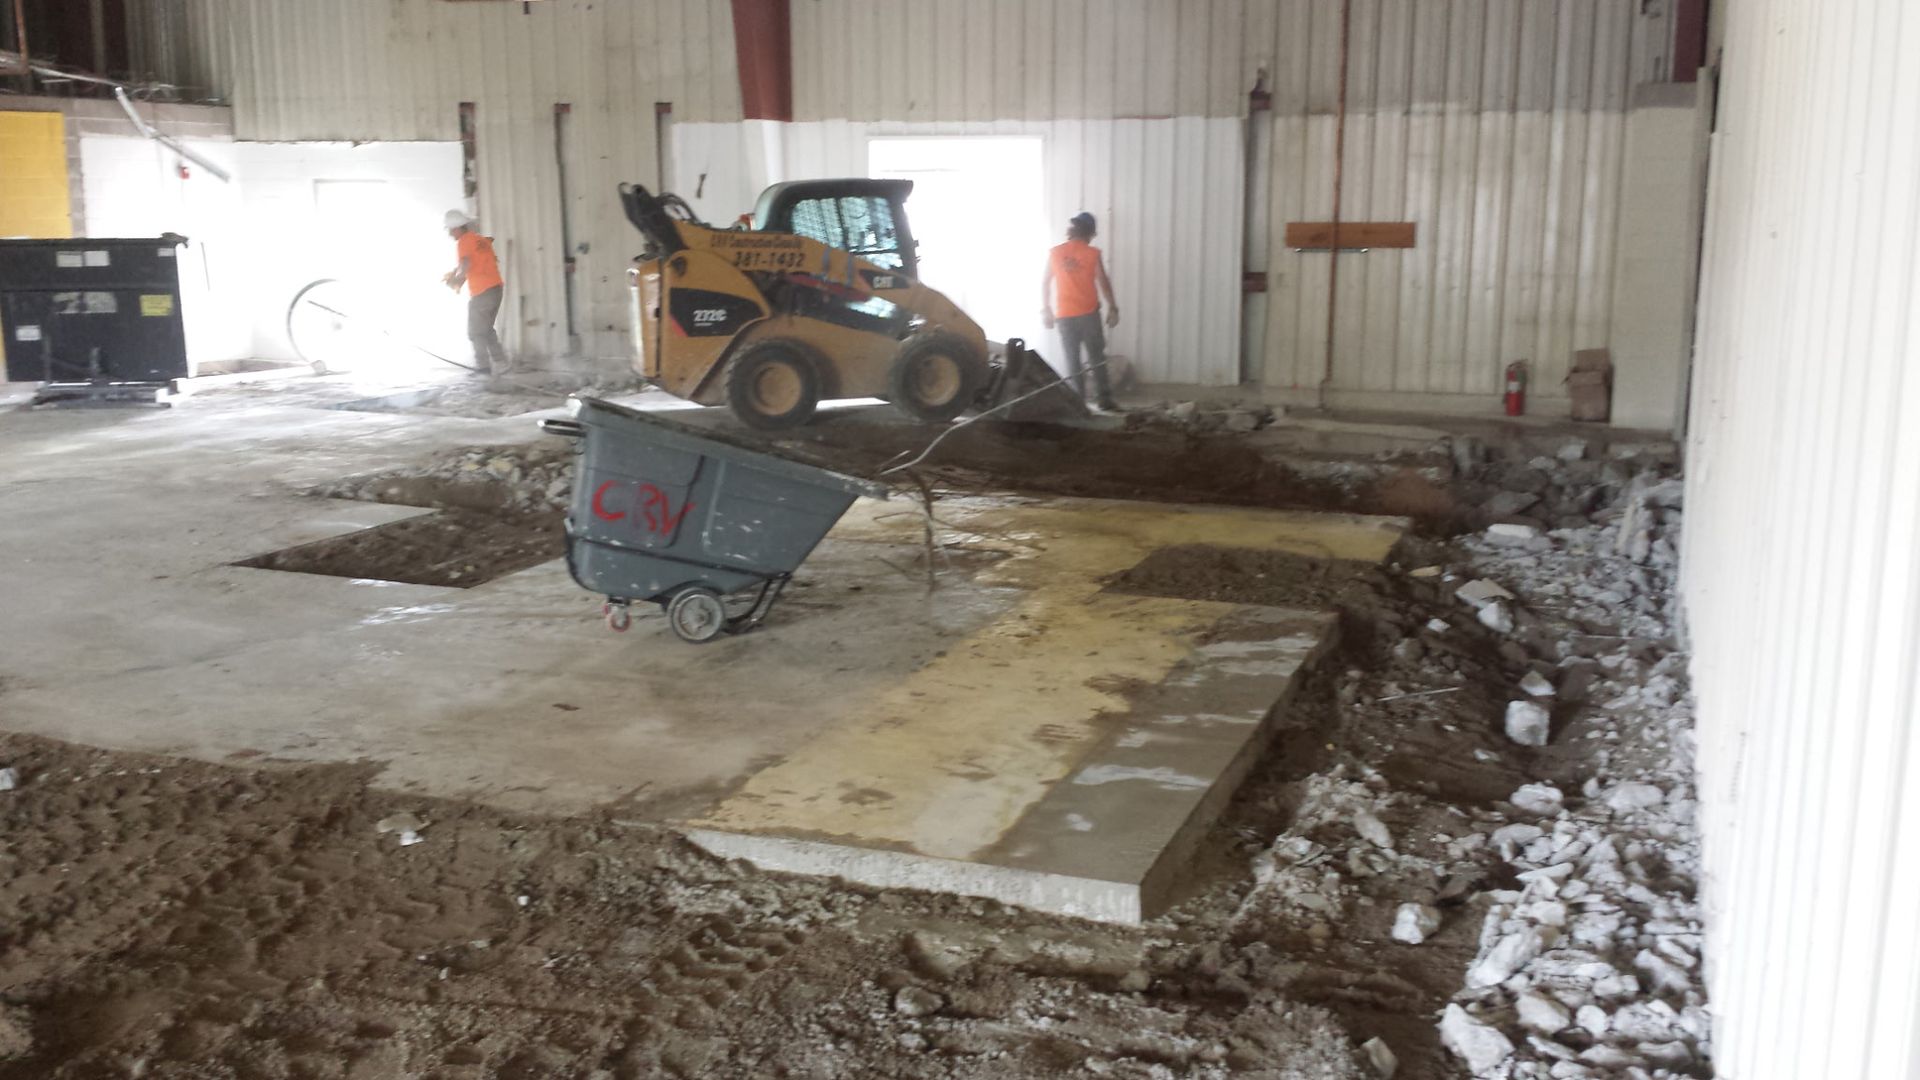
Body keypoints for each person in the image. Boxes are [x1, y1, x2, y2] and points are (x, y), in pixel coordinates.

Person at [1041, 211, 1122, 411]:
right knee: (1096, 358)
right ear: (1090, 233)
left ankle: (1079, 404)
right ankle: (1104, 400)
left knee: (1072, 360)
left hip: (1064, 316)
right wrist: (1113, 306)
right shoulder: (1092, 254)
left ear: (1073, 230)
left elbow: (1045, 282)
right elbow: (1103, 281)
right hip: (1088, 314)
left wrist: (1046, 309)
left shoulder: (1055, 253)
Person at [442, 209, 510, 375]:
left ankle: (483, 367)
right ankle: (501, 362)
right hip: (496, 289)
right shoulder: (480, 240)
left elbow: (465, 263)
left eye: (451, 230)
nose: (451, 234)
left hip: (482, 292)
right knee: (486, 329)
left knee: (475, 332)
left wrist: (457, 280)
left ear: (458, 228)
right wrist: (458, 274)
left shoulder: (464, 241)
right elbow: (476, 264)